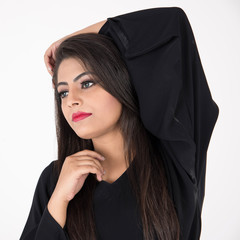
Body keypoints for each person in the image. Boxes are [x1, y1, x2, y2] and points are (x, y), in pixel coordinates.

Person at [20, 7, 219, 240]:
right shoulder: (55, 180)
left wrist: (70, 40)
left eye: (86, 84)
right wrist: (59, 201)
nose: (71, 100)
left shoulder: (174, 157)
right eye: (63, 93)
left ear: (120, 83)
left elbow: (172, 24)